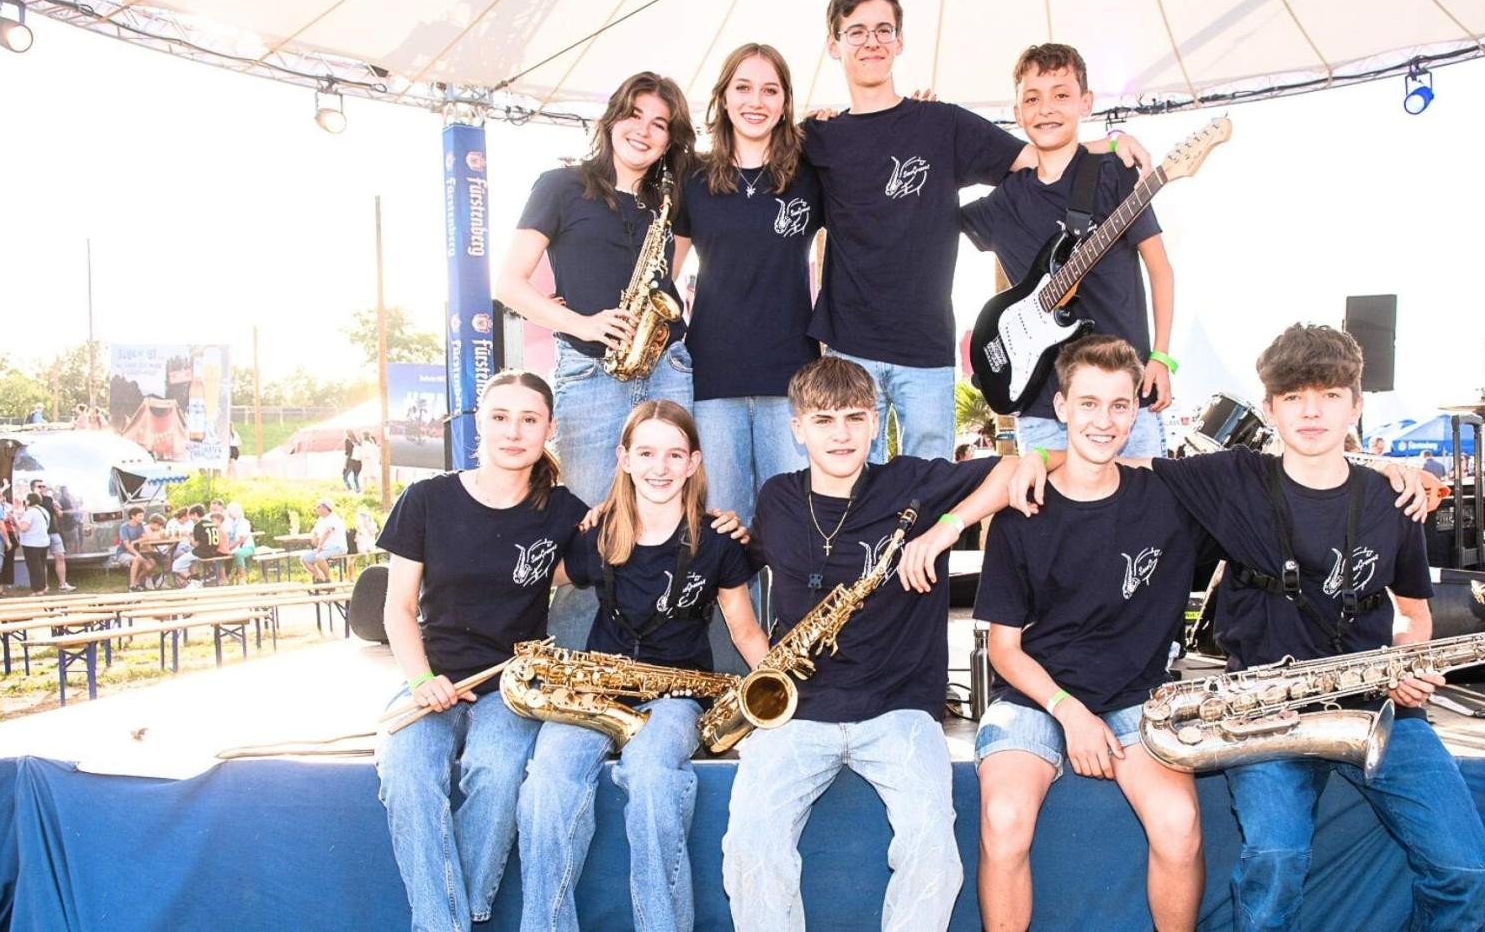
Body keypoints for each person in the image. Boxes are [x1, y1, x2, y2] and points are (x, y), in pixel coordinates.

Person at [1015, 323, 1485, 931]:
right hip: (1262, 715)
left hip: (1376, 707)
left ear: (1357, 404)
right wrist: (1035, 456)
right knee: (1275, 859)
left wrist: (1408, 664)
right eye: (1293, 398)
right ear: (1268, 409)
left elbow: (1415, 615)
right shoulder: (1232, 479)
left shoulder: (1391, 498)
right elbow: (1107, 458)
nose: (1311, 412)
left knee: (1468, 873)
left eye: (1329, 396)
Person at [721, 355, 1055, 929]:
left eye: (855, 417)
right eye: (823, 420)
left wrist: (946, 528)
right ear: (797, 429)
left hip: (899, 708)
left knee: (933, 852)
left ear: (876, 423)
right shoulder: (777, 498)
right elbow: (737, 577)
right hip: (799, 713)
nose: (842, 434)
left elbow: (1017, 467)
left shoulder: (909, 481)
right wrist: (763, 664)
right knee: (751, 845)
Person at [803, 0, 1148, 461]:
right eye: (856, 31)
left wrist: (1105, 145)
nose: (871, 42)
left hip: (925, 348)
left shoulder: (942, 123)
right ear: (834, 46)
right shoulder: (818, 138)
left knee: (932, 486)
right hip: (848, 346)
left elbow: (1036, 156)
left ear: (900, 42)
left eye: (883, 30)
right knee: (851, 484)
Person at [973, 336, 1203, 931]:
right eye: (1089, 404)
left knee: (1179, 826)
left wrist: (1384, 468)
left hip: (1135, 697)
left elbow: (1281, 476)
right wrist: (1070, 713)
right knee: (1003, 821)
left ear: (1136, 411)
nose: (1104, 421)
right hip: (1034, 696)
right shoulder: (1021, 512)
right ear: (1062, 408)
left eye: (1120, 406)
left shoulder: (1171, 498)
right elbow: (1005, 649)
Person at [516, 400, 767, 932]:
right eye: (647, 452)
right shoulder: (599, 532)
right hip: (596, 690)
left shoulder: (717, 539)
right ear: (623, 458)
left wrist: (784, 691)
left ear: (695, 462)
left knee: (653, 778)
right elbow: (536, 579)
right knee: (546, 786)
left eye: (675, 454)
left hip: (675, 696)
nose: (661, 467)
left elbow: (744, 630)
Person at [376, 370, 588, 932]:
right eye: (500, 417)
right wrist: (423, 681)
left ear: (549, 429)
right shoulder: (426, 499)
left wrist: (722, 527)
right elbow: (397, 609)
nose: (513, 432)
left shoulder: (564, 511)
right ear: (479, 423)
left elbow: (626, 542)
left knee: (497, 774)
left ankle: (454, 918)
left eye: (529, 419)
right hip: (432, 677)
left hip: (510, 686)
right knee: (407, 776)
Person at [494, 71, 697, 650]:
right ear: (610, 119)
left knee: (675, 520)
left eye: (660, 124)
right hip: (588, 368)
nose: (645, 130)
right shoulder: (559, 185)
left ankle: (667, 660)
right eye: (635, 114)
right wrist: (582, 322)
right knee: (587, 525)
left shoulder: (670, 201)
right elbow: (509, 284)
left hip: (667, 365)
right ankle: (570, 669)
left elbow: (666, 279)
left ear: (669, 139)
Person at [959, 43, 1174, 457]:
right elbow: (930, 209)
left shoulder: (1115, 175)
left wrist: (1162, 357)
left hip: (1124, 396)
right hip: (1041, 405)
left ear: (1086, 103)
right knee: (1053, 521)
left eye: (1062, 95)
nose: (1047, 109)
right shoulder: (1003, 201)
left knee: (1145, 515)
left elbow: (1160, 269)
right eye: (1032, 99)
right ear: (1018, 112)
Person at [671, 43, 820, 579]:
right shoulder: (692, 178)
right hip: (714, 379)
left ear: (784, 103)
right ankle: (733, 662)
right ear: (723, 97)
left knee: (793, 531)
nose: (756, 100)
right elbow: (661, 276)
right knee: (722, 535)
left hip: (793, 379)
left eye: (770, 89)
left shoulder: (810, 172)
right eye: (744, 87)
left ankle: (787, 660)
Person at [28, 478, 74, 591]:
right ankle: (43, 585)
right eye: (39, 487)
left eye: (44, 486)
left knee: (60, 556)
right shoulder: (30, 500)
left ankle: (62, 584)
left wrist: (58, 509)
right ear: (33, 488)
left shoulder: (49, 499)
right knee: (41, 560)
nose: (43, 489)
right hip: (38, 534)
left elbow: (59, 515)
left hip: (53, 531)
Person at [300, 499, 348, 584]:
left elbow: (327, 532)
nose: (316, 509)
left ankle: (328, 580)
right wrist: (315, 537)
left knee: (320, 557)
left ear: (325, 508)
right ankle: (319, 578)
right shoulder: (320, 520)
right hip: (324, 548)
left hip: (337, 547)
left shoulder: (334, 518)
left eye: (318, 507)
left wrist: (319, 545)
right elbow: (315, 533)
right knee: (304, 559)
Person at [14, 492, 51, 596]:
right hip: (43, 541)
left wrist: (16, 520)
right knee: (41, 565)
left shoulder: (30, 512)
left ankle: (37, 589)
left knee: (34, 567)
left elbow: (23, 527)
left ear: (29, 501)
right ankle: (43, 587)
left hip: (31, 543)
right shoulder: (44, 511)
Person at [114, 506, 152, 591]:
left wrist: (135, 542)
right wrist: (137, 554)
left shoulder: (140, 525)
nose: (142, 518)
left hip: (134, 551)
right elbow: (127, 545)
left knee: (149, 567)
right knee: (136, 559)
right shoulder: (124, 527)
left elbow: (146, 537)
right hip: (123, 553)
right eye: (140, 516)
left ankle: (137, 582)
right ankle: (132, 585)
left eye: (142, 516)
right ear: (133, 516)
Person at [225, 503, 257, 583]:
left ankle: (242, 577)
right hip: (234, 547)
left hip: (247, 547)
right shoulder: (230, 523)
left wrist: (231, 547)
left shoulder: (244, 522)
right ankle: (226, 577)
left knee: (238, 554)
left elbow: (242, 539)